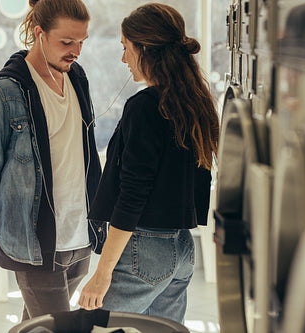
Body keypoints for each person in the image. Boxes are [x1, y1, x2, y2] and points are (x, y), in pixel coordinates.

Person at [78, 2, 219, 324]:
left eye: (126, 48)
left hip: (144, 249)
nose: (123, 59)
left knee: (97, 327)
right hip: (181, 249)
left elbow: (133, 194)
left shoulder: (144, 107)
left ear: (145, 49)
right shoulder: (196, 103)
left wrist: (102, 273)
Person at [0, 0, 104, 321]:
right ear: (39, 33)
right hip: (36, 244)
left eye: (81, 41)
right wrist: (3, 233)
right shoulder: (3, 93)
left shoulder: (76, 77)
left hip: (80, 236)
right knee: (56, 327)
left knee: (36, 325)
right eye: (66, 42)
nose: (76, 51)